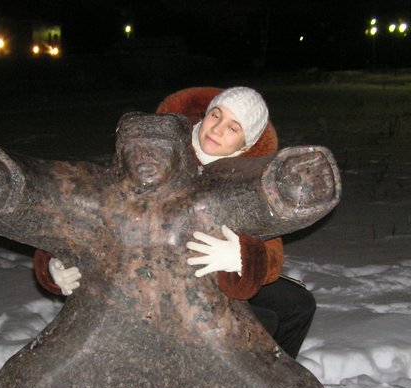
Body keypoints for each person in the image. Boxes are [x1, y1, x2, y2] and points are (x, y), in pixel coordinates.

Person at [34, 86, 316, 359]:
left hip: (216, 272)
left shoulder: (246, 177)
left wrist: (243, 257)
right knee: (259, 323)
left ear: (247, 144)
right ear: (205, 114)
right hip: (158, 277)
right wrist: (55, 260)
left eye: (233, 128)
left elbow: (271, 249)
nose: (217, 129)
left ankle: (277, 375)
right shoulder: (157, 152)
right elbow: (98, 206)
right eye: (216, 115)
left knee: (298, 305)